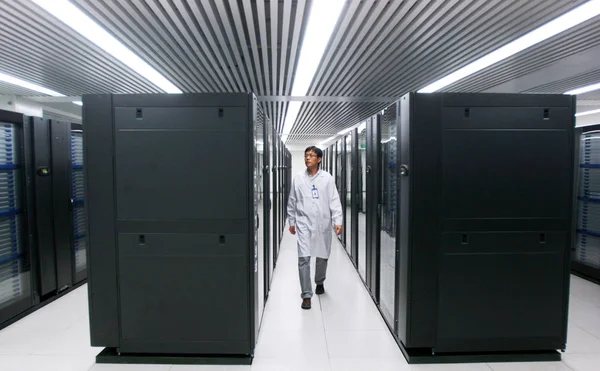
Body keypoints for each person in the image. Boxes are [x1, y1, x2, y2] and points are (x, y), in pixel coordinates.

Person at [287, 146, 343, 309]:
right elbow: (292, 200)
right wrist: (292, 221)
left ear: (319, 159)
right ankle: (306, 295)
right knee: (303, 259)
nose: (307, 158)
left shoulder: (327, 178)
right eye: (306, 156)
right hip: (304, 224)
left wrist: (337, 221)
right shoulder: (298, 178)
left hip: (322, 224)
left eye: (311, 156)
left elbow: (334, 200)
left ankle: (319, 281)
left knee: (322, 256)